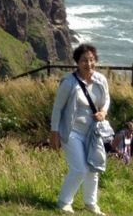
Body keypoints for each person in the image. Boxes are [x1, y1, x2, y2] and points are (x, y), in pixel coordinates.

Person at [51, 44, 110, 215]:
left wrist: (104, 112)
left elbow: (107, 99)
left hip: (93, 132)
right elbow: (57, 108)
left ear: (96, 61)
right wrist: (54, 133)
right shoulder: (69, 82)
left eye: (91, 60)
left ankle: (90, 204)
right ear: (77, 62)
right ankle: (64, 202)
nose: (88, 64)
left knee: (93, 167)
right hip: (71, 132)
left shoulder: (101, 80)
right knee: (80, 169)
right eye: (84, 60)